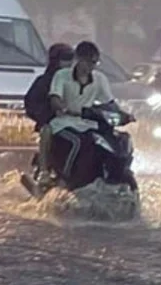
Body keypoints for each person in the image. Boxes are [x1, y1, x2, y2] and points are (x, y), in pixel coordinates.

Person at [45, 41, 132, 187]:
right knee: (77, 143)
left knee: (118, 141)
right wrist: (65, 109)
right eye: (87, 62)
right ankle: (65, 177)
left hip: (89, 123)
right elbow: (55, 98)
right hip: (65, 122)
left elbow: (109, 102)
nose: (90, 67)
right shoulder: (61, 76)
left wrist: (124, 115)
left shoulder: (100, 79)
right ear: (78, 59)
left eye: (94, 63)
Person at [23, 43, 75, 186]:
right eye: (65, 59)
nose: (69, 63)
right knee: (47, 132)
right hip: (52, 123)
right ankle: (44, 171)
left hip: (76, 123)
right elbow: (31, 104)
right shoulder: (44, 82)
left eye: (71, 59)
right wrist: (47, 116)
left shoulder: (78, 81)